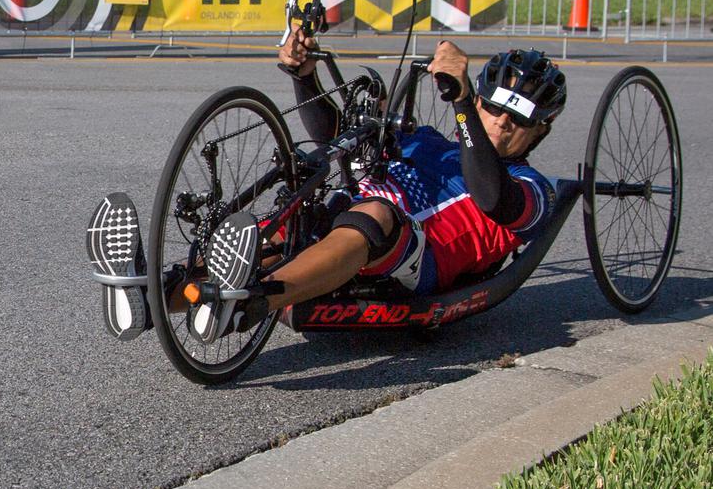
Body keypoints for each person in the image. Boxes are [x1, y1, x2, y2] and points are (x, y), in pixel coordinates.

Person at [89, 31, 566, 344]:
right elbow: (337, 138)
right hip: (347, 220)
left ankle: (251, 304)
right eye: (491, 109)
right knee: (284, 227)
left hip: (417, 256)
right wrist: (303, 76)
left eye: (516, 118)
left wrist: (463, 104)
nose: (500, 123)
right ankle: (151, 296)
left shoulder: (531, 189)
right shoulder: (429, 140)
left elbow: (489, 195)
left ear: (540, 130)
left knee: (375, 217)